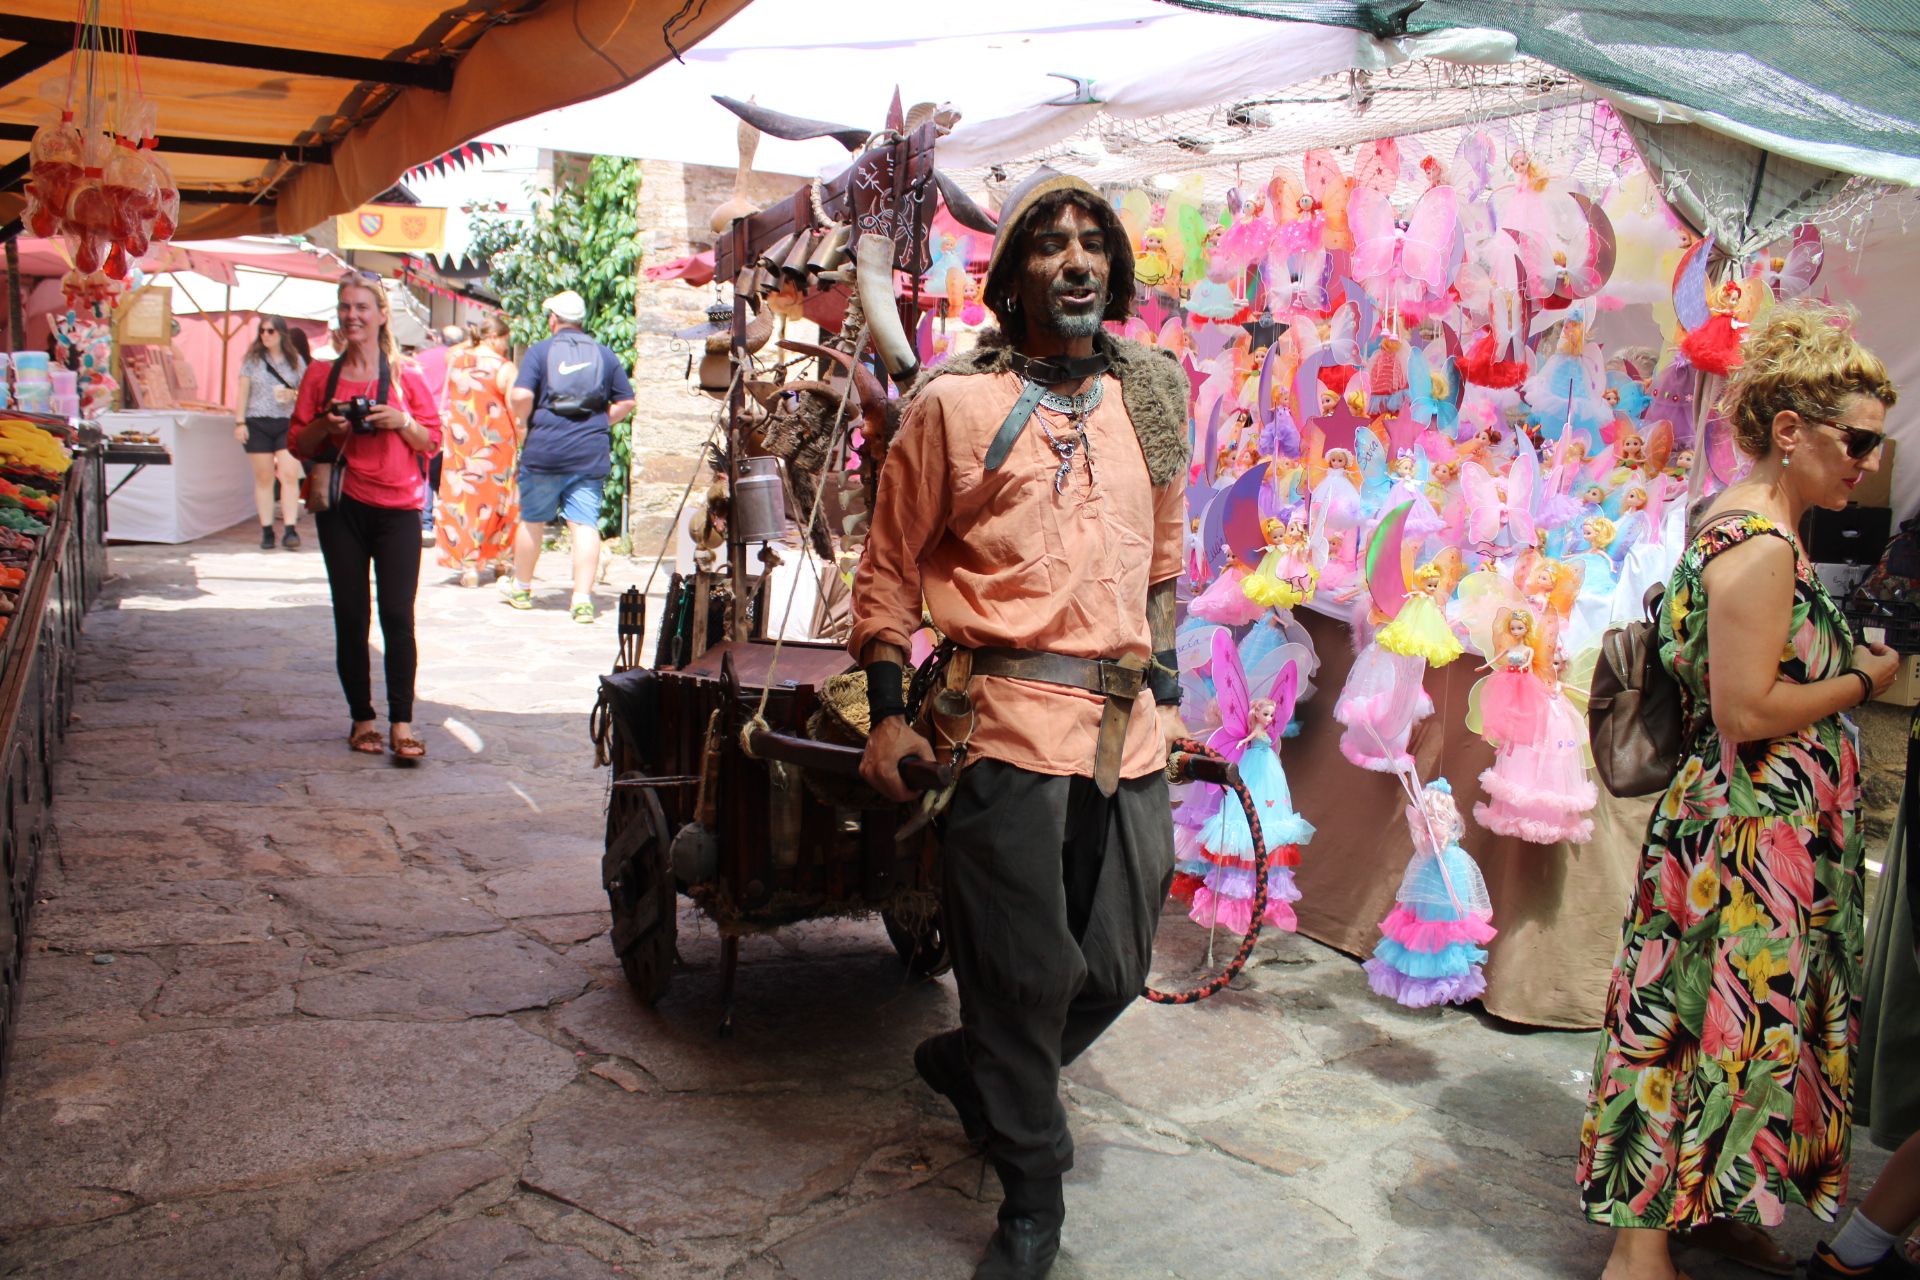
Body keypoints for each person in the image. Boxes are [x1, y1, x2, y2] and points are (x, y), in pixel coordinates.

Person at [852, 169, 1187, 1279]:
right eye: (1050, 243)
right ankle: (1031, 1195)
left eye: (1095, 242)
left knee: (1118, 967)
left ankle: (976, 1061)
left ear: (1116, 270)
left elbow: (1166, 557)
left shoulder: (1154, 394)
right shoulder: (951, 403)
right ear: (1013, 276)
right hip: (999, 725)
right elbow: (890, 570)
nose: (1077, 260)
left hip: (1125, 732)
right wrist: (890, 715)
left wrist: (1169, 680)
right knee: (1021, 971)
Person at [1575, 303, 1902, 1280]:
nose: (1868, 462)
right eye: (1857, 438)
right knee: (1684, 1025)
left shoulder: (1736, 516)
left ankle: (1692, 1211)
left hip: (1744, 838)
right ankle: (1638, 1250)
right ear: (1791, 430)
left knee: (1706, 1021)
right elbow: (1749, 708)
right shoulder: (1760, 545)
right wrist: (1866, 680)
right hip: (1745, 843)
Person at [288, 274, 443, 763]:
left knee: (398, 616)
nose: (351, 315)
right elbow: (299, 444)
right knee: (351, 615)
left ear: (380, 314)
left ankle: (402, 722)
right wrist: (325, 424)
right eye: (344, 307)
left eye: (361, 307)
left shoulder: (405, 376)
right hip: (342, 507)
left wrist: (401, 421)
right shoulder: (320, 376)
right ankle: (362, 718)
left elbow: (433, 442)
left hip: (398, 507)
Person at [504, 290, 635, 623]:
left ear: (553, 320)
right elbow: (627, 401)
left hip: (545, 449)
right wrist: (599, 422)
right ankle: (582, 599)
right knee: (584, 523)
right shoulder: (604, 355)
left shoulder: (540, 352)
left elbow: (520, 394)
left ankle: (521, 588)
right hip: (588, 451)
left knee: (533, 519)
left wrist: (523, 420)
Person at [435, 317, 520, 586]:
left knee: (465, 501)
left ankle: (469, 567)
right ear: (497, 337)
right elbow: (515, 413)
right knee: (500, 502)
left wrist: (473, 340)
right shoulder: (504, 368)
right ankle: (502, 561)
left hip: (462, 445)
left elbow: (454, 349)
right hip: (496, 445)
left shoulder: (456, 359)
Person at [233, 315, 308, 550]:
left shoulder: (295, 361)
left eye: (270, 331)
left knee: (289, 474)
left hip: (286, 421)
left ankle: (290, 528)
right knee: (264, 477)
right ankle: (266, 529)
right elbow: (243, 392)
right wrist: (240, 422)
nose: (265, 335)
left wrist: (293, 395)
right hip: (257, 421)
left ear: (281, 334)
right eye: (262, 331)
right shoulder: (252, 360)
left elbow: (306, 392)